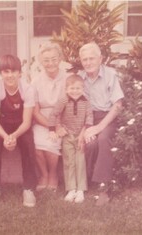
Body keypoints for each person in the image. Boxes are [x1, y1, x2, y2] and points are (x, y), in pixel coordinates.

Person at [0, 54, 37, 209]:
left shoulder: (27, 89)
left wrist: (13, 136)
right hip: (1, 126)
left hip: (21, 126)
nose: (10, 75)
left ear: (20, 73)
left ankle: (29, 187)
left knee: (28, 143)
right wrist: (5, 136)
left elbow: (27, 122)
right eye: (6, 71)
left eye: (14, 71)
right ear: (1, 73)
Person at [78, 42, 124, 206]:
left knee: (103, 139)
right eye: (85, 60)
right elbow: (79, 107)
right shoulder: (80, 77)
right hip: (89, 118)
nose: (88, 62)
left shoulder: (110, 75)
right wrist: (84, 130)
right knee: (89, 144)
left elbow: (118, 106)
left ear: (100, 59)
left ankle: (104, 188)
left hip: (107, 117)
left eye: (91, 58)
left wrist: (98, 127)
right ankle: (87, 179)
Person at [48, 74, 93, 203]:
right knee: (69, 162)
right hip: (67, 135)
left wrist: (85, 133)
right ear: (66, 89)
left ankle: (80, 190)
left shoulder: (86, 101)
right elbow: (54, 113)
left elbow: (89, 117)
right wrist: (53, 129)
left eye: (78, 88)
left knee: (80, 162)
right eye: (72, 88)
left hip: (80, 136)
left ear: (83, 89)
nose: (75, 91)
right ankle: (71, 189)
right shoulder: (63, 100)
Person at [32, 42, 68, 191]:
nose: (50, 63)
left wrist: (59, 126)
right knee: (36, 143)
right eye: (46, 60)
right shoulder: (36, 81)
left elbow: (72, 107)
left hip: (62, 119)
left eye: (54, 59)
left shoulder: (68, 78)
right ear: (41, 62)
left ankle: (53, 174)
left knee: (51, 143)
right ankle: (44, 174)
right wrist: (50, 126)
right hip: (42, 120)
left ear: (60, 58)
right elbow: (35, 111)